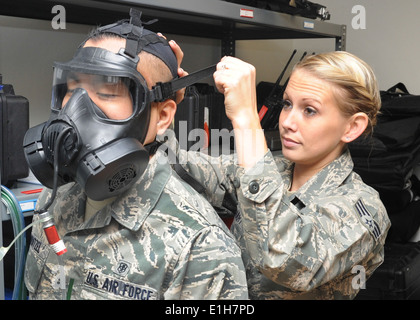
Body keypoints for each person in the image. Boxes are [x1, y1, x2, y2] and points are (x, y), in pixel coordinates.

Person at [23, 10, 248, 300]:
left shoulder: (199, 247)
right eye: (73, 87)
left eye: (107, 90)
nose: (75, 109)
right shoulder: (54, 197)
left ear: (163, 116)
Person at [167, 46, 391, 299]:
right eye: (287, 104)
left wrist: (246, 119)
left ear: (352, 127)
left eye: (309, 110)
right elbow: (176, 166)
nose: (286, 122)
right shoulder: (274, 169)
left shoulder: (364, 208)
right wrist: (161, 103)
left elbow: (283, 258)